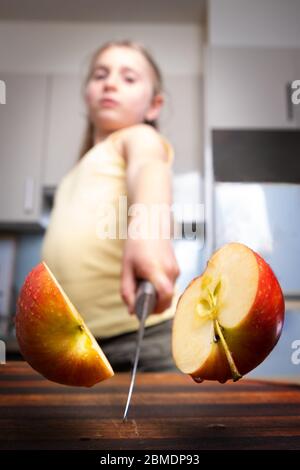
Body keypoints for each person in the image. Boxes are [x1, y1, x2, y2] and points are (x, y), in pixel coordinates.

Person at [41, 40, 180, 372]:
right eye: (100, 74)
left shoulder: (138, 137)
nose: (111, 82)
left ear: (153, 106)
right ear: (87, 93)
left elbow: (148, 168)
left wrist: (148, 230)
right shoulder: (74, 173)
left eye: (129, 78)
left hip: (142, 336)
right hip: (78, 342)